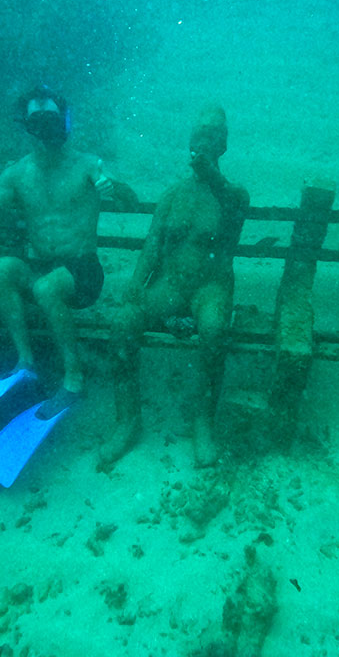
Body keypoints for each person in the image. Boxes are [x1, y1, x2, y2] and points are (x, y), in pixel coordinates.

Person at [0, 85, 122, 418]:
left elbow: (126, 198)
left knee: (46, 287)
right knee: (1, 269)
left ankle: (74, 378)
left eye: (52, 119)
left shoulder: (88, 164)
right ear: (27, 126)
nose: (45, 127)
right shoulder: (17, 173)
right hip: (43, 266)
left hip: (84, 272)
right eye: (37, 120)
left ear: (66, 122)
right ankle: (24, 362)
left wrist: (113, 186)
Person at [101, 105, 249, 468]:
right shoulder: (171, 196)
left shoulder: (234, 195)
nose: (204, 140)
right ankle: (127, 420)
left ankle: (203, 422)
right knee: (123, 324)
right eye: (199, 134)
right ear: (190, 141)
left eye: (213, 135)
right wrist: (136, 284)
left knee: (214, 329)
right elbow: (152, 245)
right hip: (168, 287)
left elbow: (231, 219)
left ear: (223, 145)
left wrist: (213, 178)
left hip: (209, 287)